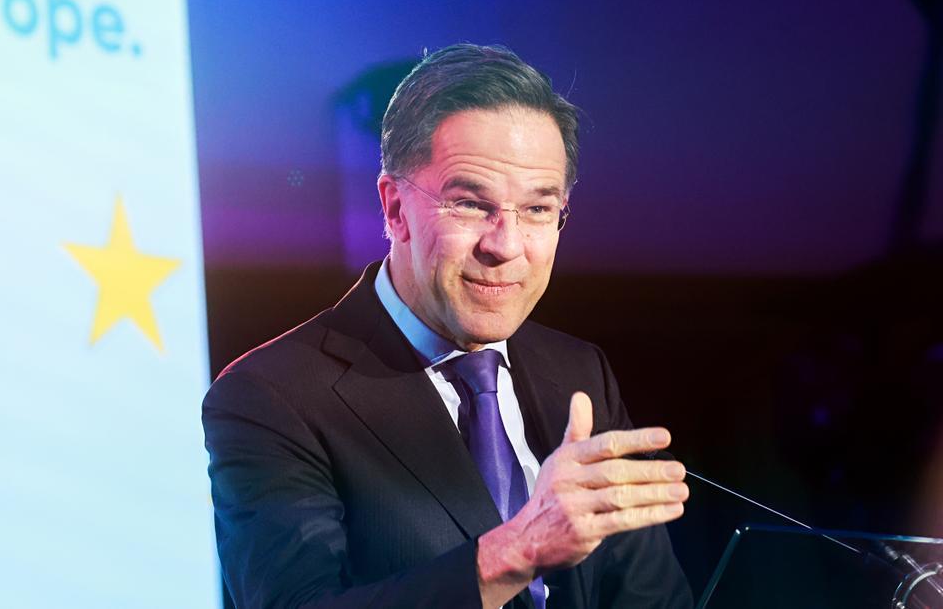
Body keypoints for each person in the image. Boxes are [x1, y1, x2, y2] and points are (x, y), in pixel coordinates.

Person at [203, 44, 693, 609]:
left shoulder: (578, 372)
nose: (506, 246)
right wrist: (520, 549)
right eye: (468, 204)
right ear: (393, 208)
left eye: (538, 210)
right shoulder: (272, 395)